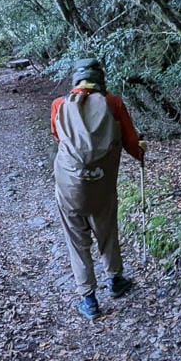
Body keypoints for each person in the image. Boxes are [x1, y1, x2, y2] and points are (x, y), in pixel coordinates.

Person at [50, 58, 146, 319]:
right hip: (102, 186)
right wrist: (141, 152)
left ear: (76, 79)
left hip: (68, 188)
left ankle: (89, 301)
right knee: (107, 234)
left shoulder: (59, 105)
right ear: (100, 78)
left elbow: (58, 137)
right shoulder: (113, 103)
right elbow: (132, 143)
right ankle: (115, 281)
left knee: (77, 242)